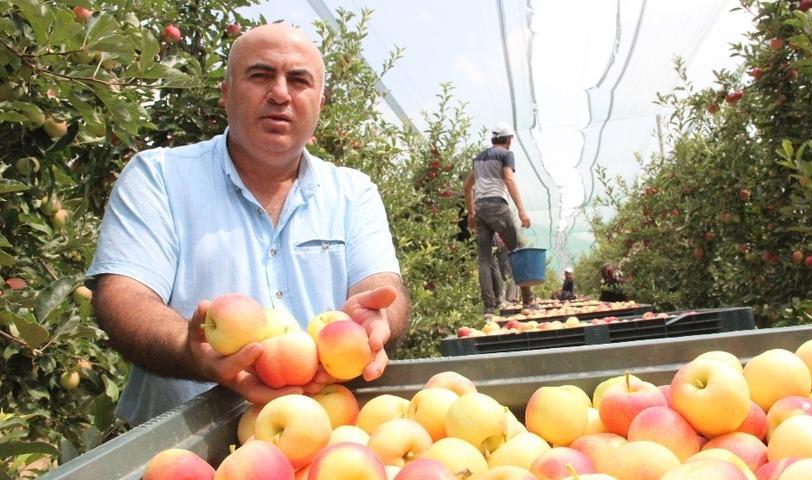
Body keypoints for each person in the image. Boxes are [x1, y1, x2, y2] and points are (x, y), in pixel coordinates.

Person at [86, 24, 410, 427]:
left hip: (321, 439)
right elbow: (124, 297)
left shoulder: (353, 192)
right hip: (184, 448)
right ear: (226, 93)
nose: (279, 93)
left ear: (320, 103)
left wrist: (380, 320)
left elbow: (382, 290)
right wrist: (191, 351)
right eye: (260, 75)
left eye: (299, 80)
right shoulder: (159, 178)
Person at [464, 122, 534, 316]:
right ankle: (528, 301)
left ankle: (489, 307)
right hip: (497, 206)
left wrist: (471, 213)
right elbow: (509, 179)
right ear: (509, 139)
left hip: (480, 209)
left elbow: (466, 186)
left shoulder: (478, 159)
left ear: (493, 139)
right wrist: (521, 210)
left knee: (484, 260)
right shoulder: (506, 155)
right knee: (517, 251)